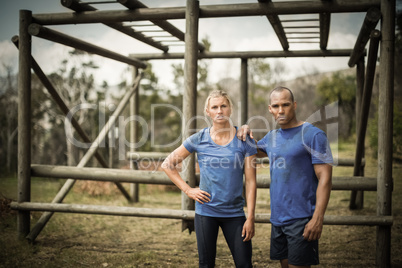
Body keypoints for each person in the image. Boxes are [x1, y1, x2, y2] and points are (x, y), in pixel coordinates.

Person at [238, 86, 333, 268]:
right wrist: (244, 128)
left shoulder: (313, 135)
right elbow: (252, 149)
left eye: (285, 105)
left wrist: (317, 218)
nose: (280, 110)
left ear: (294, 105)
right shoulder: (272, 137)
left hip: (302, 218)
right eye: (276, 106)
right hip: (278, 219)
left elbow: (325, 179)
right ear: (270, 109)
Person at [162, 89, 257, 268]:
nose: (219, 111)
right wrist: (188, 190)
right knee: (206, 264)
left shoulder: (245, 140)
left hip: (235, 214)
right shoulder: (199, 139)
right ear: (208, 111)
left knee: (244, 264)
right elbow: (167, 164)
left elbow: (251, 182)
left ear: (230, 109)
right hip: (206, 212)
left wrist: (250, 217)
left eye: (223, 106)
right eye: (214, 107)